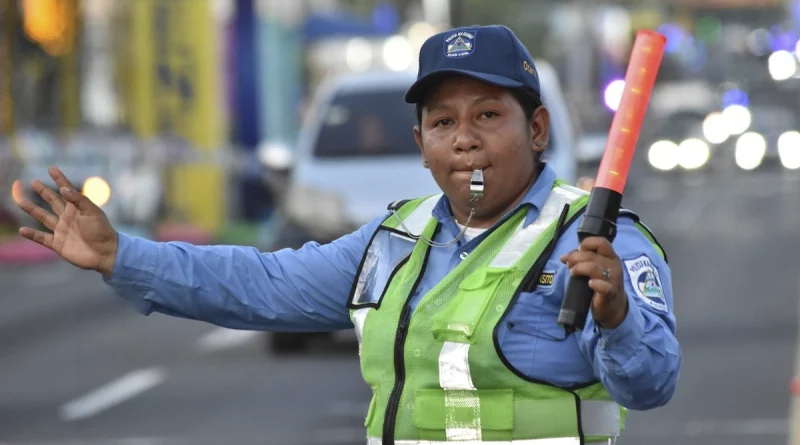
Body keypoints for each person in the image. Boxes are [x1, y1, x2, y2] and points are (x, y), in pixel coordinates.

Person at [16, 24, 680, 445]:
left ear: (537, 130)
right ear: (422, 144)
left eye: (487, 114)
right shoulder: (396, 237)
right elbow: (260, 284)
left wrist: (616, 316)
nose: (466, 138)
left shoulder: (600, 243)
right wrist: (118, 255)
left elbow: (650, 383)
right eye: (444, 122)